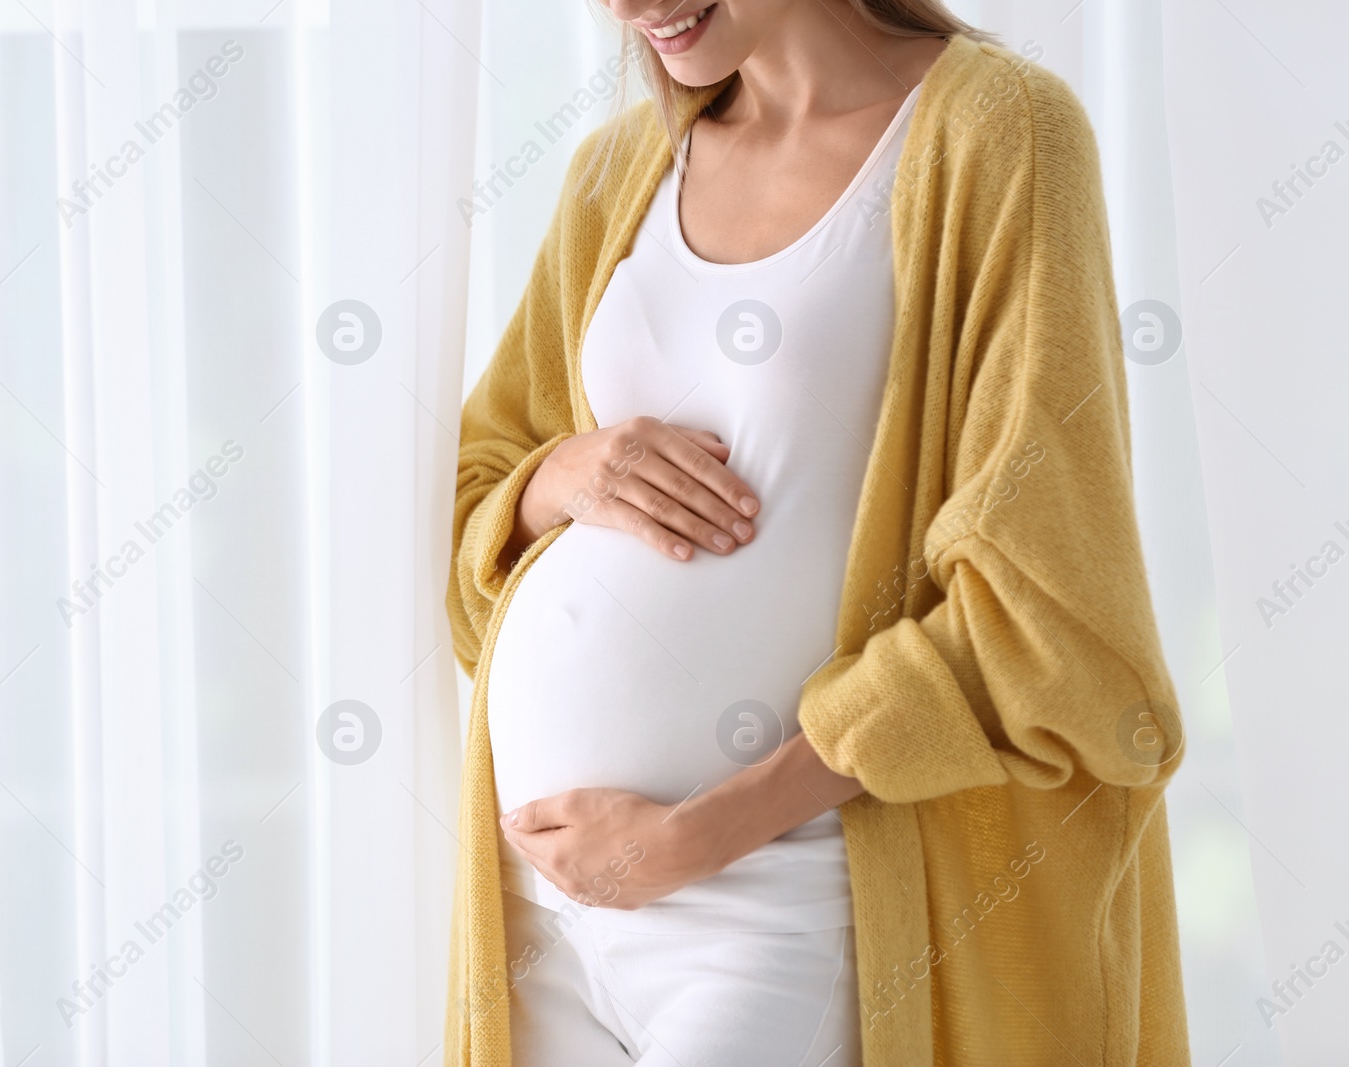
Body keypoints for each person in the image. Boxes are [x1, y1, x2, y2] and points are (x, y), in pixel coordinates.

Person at [445, 2, 1191, 1064]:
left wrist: (698, 834)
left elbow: (1047, 595)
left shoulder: (997, 131)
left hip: (773, 890)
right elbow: (477, 496)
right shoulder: (619, 171)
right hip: (542, 896)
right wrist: (560, 474)